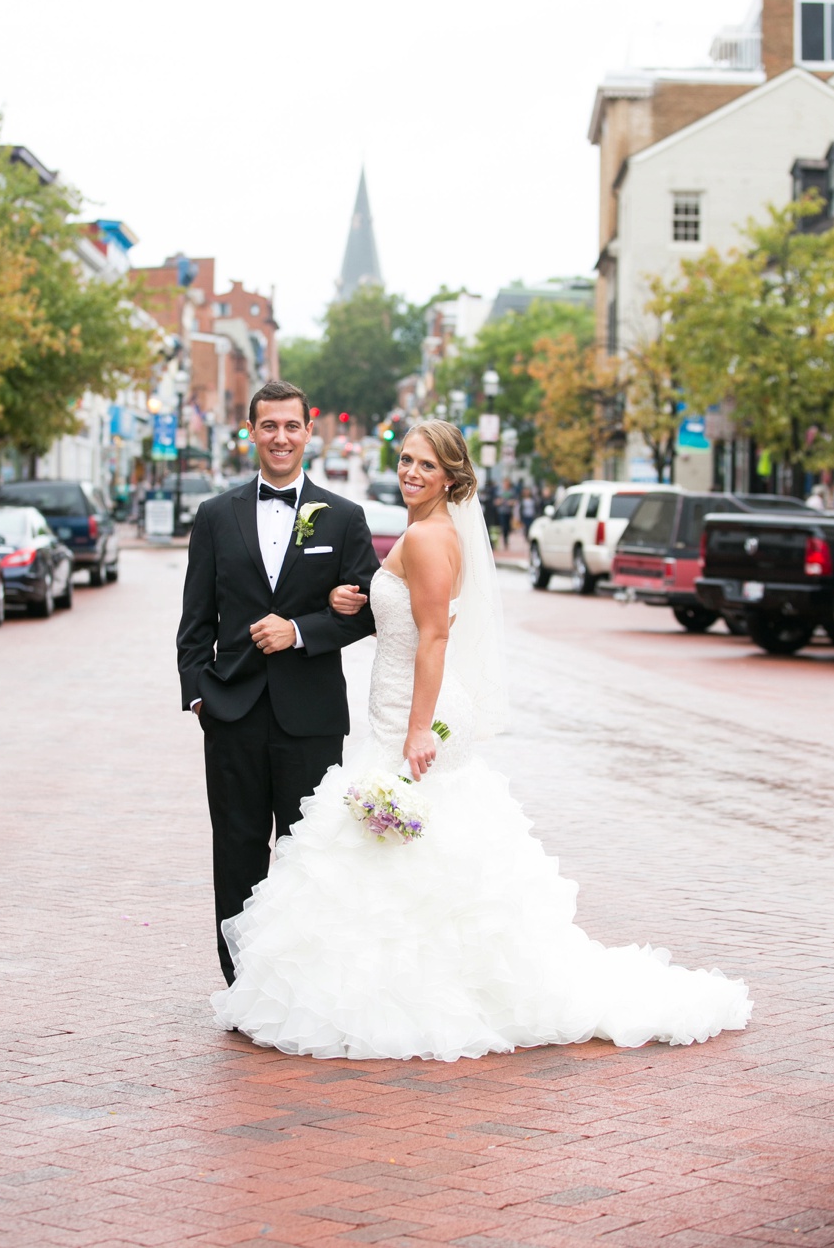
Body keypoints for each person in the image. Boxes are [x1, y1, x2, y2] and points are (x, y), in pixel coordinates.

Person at [212, 419, 752, 1060]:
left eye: (427, 467)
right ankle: (400, 983)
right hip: (399, 706)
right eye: (407, 460)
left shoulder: (430, 538)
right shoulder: (424, 532)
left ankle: (413, 995)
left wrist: (416, 728)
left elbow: (434, 637)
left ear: (451, 478)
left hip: (416, 714)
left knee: (395, 846)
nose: (412, 473)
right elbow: (403, 611)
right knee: (396, 854)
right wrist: (349, 600)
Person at [177, 379, 380, 985]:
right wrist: (199, 695)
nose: (281, 437)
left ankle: (299, 981)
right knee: (236, 851)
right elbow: (195, 620)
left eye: (292, 426)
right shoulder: (215, 517)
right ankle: (243, 984)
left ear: (309, 431)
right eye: (269, 426)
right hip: (232, 711)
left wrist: (300, 630)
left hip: (310, 716)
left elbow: (371, 612)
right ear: (251, 432)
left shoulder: (344, 518)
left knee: (306, 852)